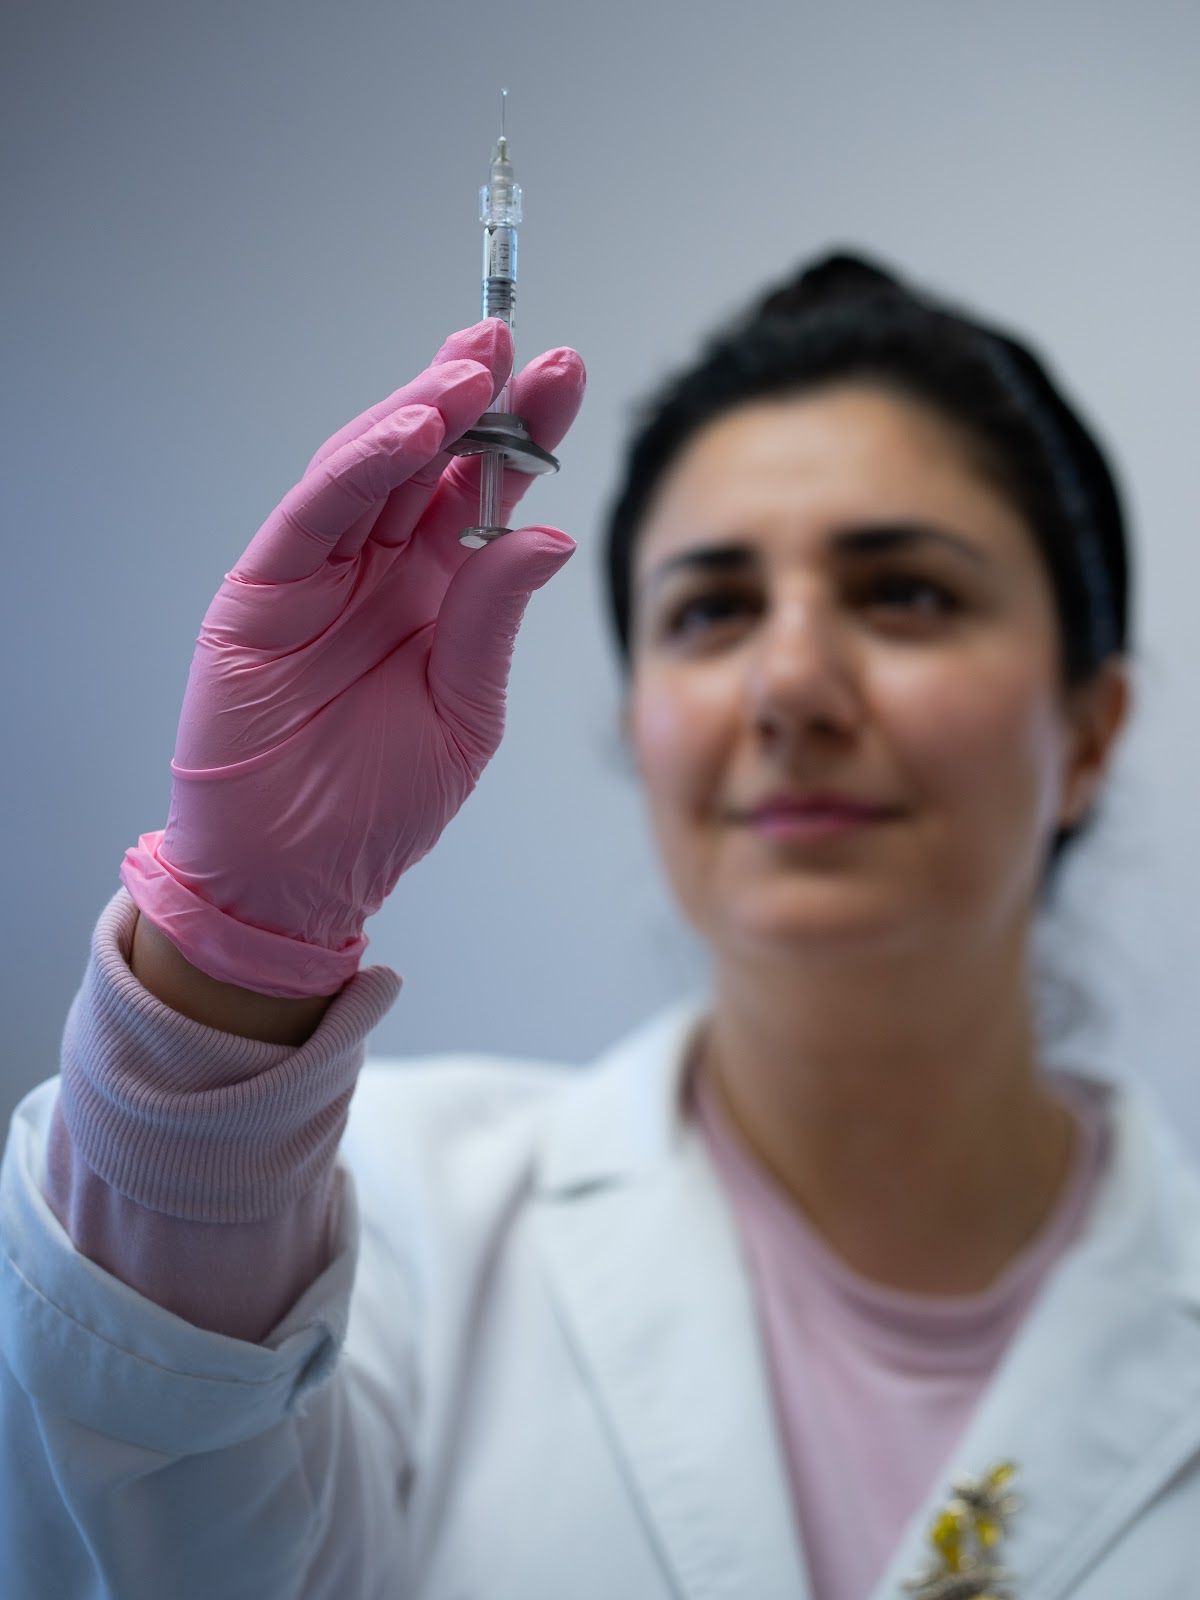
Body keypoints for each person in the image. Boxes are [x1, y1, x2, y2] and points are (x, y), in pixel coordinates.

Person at [2, 252, 1198, 1600]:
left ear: (1090, 734)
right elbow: (134, 1538)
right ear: (640, 730)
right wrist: (231, 947)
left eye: (905, 592)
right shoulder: (374, 1226)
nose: (791, 683)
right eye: (713, 610)